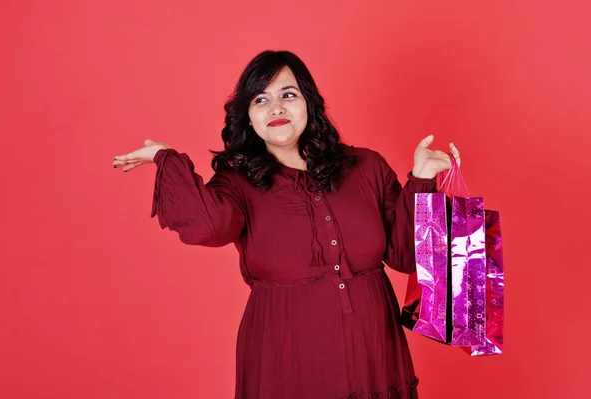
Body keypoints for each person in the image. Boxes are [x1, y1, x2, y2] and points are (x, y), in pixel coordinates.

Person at [113, 50, 461, 399]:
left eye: (288, 94)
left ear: (308, 102)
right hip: (286, 356)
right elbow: (207, 227)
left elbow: (404, 256)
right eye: (261, 99)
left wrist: (422, 179)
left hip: (374, 352)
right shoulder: (236, 183)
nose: (276, 108)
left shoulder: (366, 166)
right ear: (248, 118)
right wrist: (168, 159)